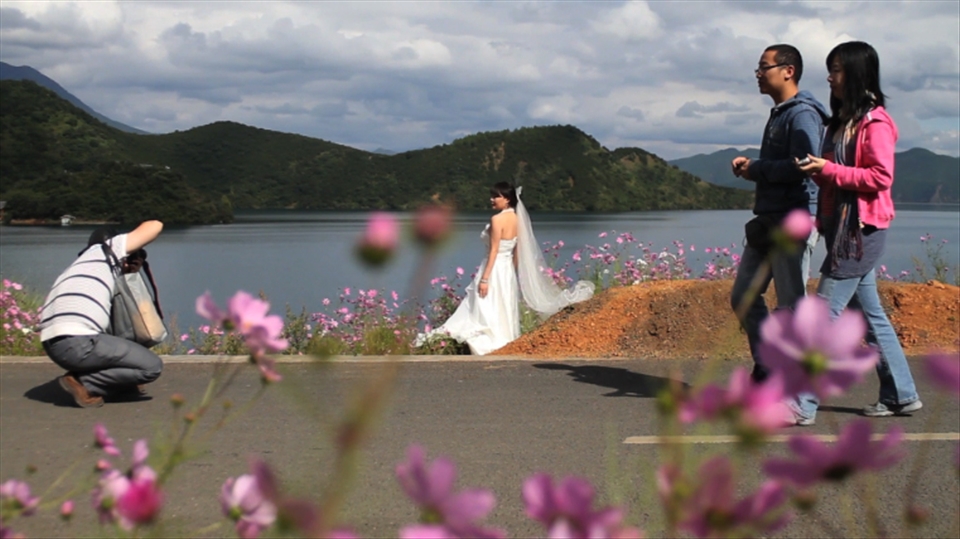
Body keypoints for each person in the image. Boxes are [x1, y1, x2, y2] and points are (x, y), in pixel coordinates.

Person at [796, 41, 921, 422]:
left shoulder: (875, 122)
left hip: (861, 231)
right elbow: (834, 183)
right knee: (871, 316)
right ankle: (902, 394)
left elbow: (880, 177)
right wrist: (821, 219)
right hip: (842, 230)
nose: (831, 77)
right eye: (830, 69)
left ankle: (800, 404)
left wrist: (828, 169)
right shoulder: (843, 123)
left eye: (836, 69)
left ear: (856, 73)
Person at [730, 44, 829, 393]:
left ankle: (796, 388)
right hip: (768, 220)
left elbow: (805, 166)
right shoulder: (781, 112)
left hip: (793, 219)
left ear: (788, 70)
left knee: (790, 305)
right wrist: (754, 168)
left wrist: (755, 169)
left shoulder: (802, 114)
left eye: (764, 67)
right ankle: (770, 368)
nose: (758, 74)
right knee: (743, 295)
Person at [419, 183, 594, 355]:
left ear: (507, 199)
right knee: (502, 304)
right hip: (507, 269)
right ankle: (505, 339)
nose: (492, 199)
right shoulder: (518, 221)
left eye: (496, 196)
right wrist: (512, 270)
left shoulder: (497, 220)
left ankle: (485, 339)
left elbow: (494, 250)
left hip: (493, 268)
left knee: (484, 304)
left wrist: (485, 278)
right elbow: (517, 250)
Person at [38, 220, 165, 408]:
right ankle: (84, 383)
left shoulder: (79, 267)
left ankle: (110, 383)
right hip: (78, 343)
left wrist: (126, 272)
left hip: (53, 345)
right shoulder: (108, 250)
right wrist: (127, 246)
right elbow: (155, 225)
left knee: (128, 358)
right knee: (151, 367)